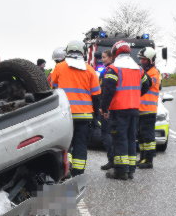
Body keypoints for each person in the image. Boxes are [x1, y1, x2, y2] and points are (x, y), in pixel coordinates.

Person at [49, 40, 101, 176]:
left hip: (65, 115)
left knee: (66, 143)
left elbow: (51, 90)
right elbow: (96, 96)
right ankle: (78, 171)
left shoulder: (59, 68)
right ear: (82, 52)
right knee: (81, 144)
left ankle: (66, 168)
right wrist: (97, 115)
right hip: (84, 116)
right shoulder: (90, 70)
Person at [100, 41, 147, 180]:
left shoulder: (114, 69)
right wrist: (135, 95)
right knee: (131, 139)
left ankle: (120, 171)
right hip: (134, 109)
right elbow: (147, 84)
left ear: (115, 52)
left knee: (119, 139)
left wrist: (104, 107)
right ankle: (130, 170)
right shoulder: (138, 69)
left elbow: (108, 89)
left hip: (119, 110)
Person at [137, 47, 161, 169]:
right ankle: (142, 158)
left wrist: (139, 73)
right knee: (141, 136)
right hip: (140, 109)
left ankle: (149, 160)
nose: (142, 62)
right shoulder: (144, 71)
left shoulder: (154, 72)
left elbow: (148, 83)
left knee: (148, 136)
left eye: (144, 60)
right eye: (141, 59)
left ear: (151, 60)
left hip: (149, 110)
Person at [98, 49, 116, 171]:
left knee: (106, 134)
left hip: (108, 107)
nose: (102, 60)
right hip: (113, 107)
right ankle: (114, 159)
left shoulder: (108, 71)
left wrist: (104, 108)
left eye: (104, 57)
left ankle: (112, 160)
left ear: (110, 58)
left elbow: (105, 91)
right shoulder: (114, 69)